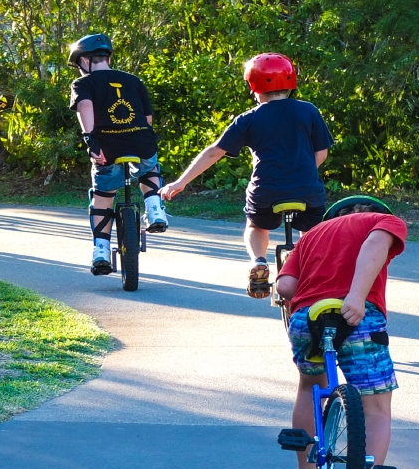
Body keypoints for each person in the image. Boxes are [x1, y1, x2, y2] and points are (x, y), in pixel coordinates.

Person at [275, 195, 407, 469]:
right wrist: (356, 295)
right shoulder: (385, 222)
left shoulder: (311, 235)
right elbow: (376, 244)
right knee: (375, 406)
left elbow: (286, 286)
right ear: (373, 211)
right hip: (356, 315)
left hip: (308, 316)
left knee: (310, 386)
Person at [160, 54, 333, 297]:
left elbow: (213, 153)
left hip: (265, 192)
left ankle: (259, 262)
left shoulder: (249, 118)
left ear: (254, 86)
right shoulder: (308, 111)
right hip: (306, 189)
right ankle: (307, 264)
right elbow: (322, 153)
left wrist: (181, 182)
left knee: (255, 226)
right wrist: (301, 172)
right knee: (312, 229)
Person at [68, 33, 168, 275]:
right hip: (141, 141)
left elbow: (85, 107)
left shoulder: (83, 84)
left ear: (84, 61)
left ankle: (101, 250)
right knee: (148, 167)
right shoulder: (133, 80)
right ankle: (155, 209)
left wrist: (91, 140)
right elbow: (147, 118)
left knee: (104, 193)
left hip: (107, 146)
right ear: (107, 57)